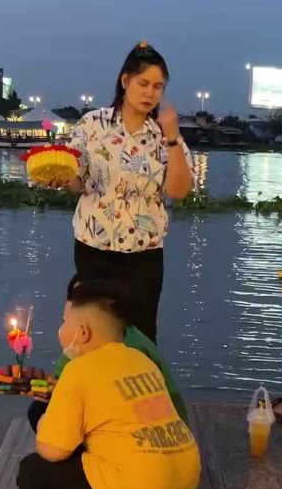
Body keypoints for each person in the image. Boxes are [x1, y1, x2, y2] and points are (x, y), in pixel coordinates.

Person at [16, 279, 200, 489]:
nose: (61, 329)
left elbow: (52, 451)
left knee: (33, 473)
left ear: (82, 332)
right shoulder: (141, 359)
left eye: (64, 321)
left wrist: (50, 412)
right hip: (182, 486)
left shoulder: (79, 370)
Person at [51, 41, 196, 344]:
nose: (150, 93)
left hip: (143, 255)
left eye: (158, 86)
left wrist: (172, 138)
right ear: (125, 81)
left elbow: (178, 191)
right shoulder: (92, 125)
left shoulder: (163, 135)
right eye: (143, 83)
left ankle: (140, 389)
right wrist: (62, 180)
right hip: (94, 249)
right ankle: (86, 391)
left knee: (140, 337)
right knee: (90, 336)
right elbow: (77, 180)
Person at [27, 269, 188, 432]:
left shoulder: (130, 349)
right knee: (41, 407)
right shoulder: (86, 345)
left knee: (42, 415)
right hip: (171, 440)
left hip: (138, 434)